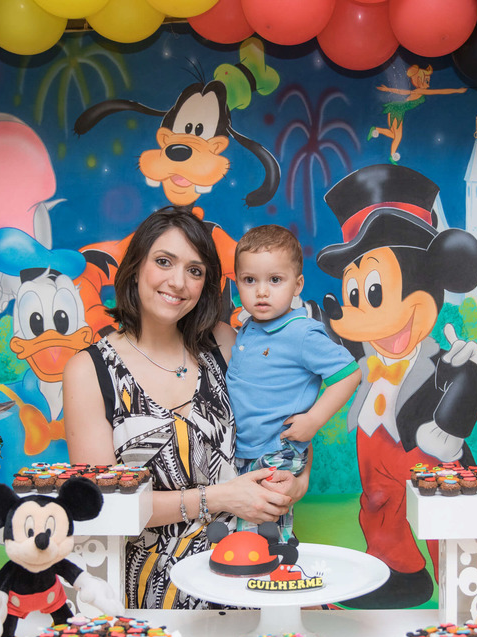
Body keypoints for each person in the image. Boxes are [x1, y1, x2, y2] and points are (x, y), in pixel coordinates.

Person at [63, 207, 308, 609]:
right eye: (164, 262)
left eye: (195, 271)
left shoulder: (226, 345)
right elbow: (103, 506)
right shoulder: (90, 371)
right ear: (136, 267)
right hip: (156, 591)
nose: (178, 282)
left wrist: (297, 482)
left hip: (258, 573)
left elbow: (289, 426)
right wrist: (221, 497)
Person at [228, 225, 359, 540]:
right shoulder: (247, 329)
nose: (262, 291)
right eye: (250, 280)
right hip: (247, 447)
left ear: (297, 284)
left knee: (263, 521)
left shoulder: (302, 332)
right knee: (243, 521)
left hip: (277, 447)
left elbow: (349, 373)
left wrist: (313, 420)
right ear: (238, 283)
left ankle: (276, 564)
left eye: (275, 280)